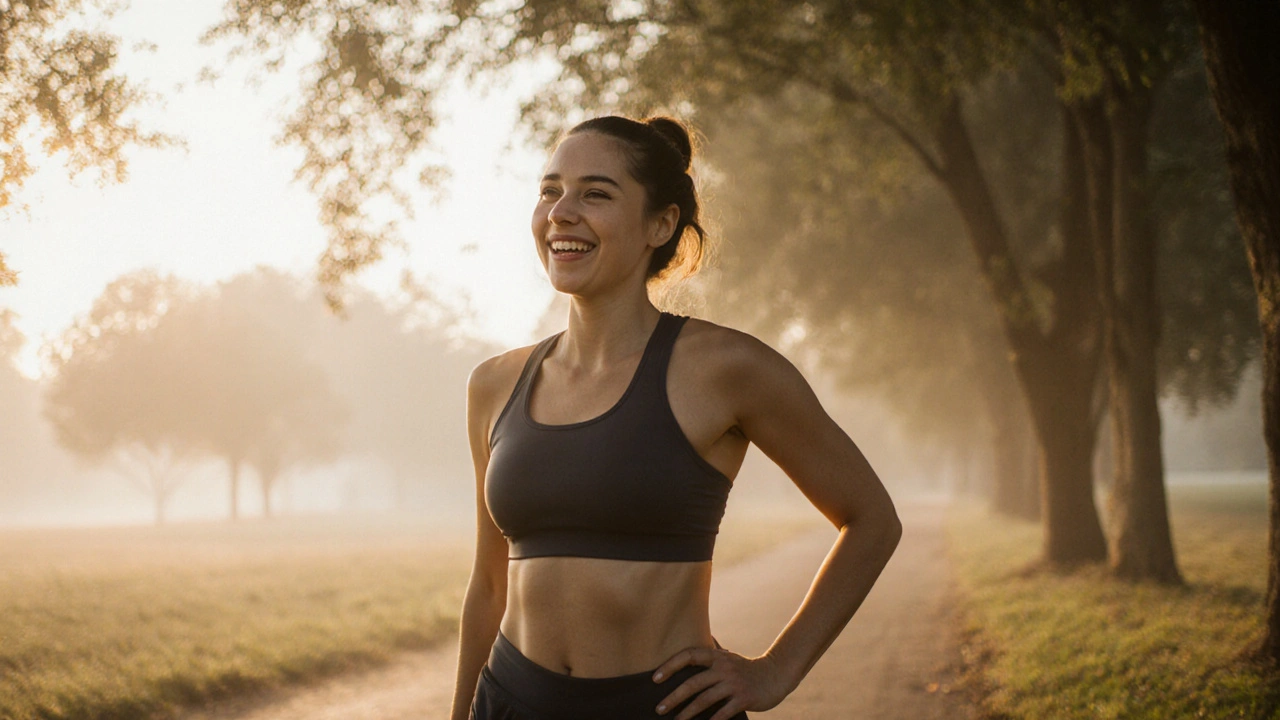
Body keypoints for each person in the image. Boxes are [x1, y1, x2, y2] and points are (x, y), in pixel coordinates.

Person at [450, 115, 902, 720]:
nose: (560, 211)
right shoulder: (493, 384)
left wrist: (776, 671)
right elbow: (487, 587)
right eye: (550, 190)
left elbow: (871, 518)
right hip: (511, 702)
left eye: (596, 193)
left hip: (666, 709)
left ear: (660, 225)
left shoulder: (728, 368)